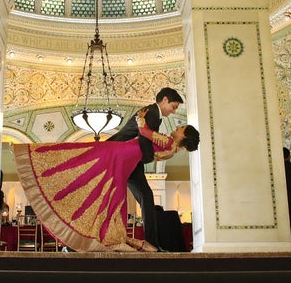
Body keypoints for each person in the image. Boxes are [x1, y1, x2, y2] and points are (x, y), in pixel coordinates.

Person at [12, 107, 199, 253]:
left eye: (181, 128)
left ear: (185, 135)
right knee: (110, 193)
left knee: (86, 157)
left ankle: (45, 162)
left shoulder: (168, 143)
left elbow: (144, 132)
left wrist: (140, 117)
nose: (177, 127)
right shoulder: (171, 149)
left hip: (122, 154)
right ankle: (101, 232)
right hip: (126, 159)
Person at [107, 87, 183, 249]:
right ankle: (152, 243)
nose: (174, 111)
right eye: (174, 106)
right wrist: (149, 157)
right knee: (145, 197)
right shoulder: (152, 113)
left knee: (144, 197)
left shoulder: (151, 113)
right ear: (164, 100)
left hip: (128, 159)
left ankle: (151, 242)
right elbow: (144, 138)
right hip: (124, 157)